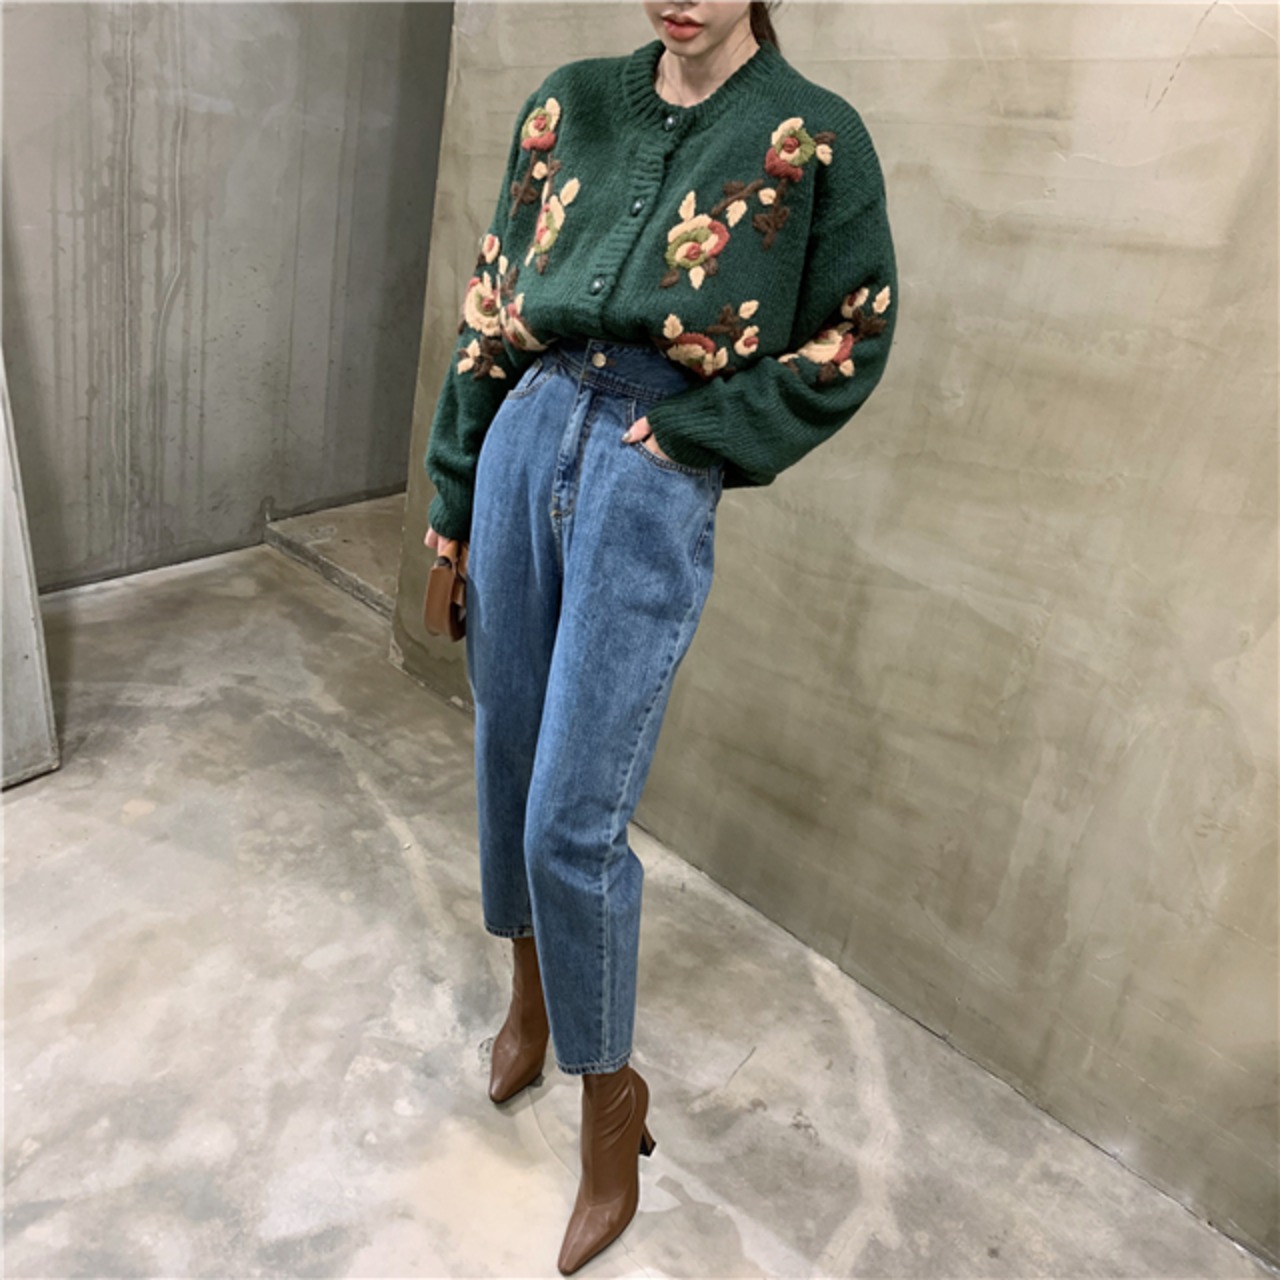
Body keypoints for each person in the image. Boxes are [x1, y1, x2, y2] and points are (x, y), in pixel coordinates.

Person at [423, 2, 897, 1271]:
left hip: (647, 465)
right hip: (526, 430)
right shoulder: (568, 101)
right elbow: (491, 300)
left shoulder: (810, 139)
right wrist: (453, 493)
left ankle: (606, 1107)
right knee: (505, 756)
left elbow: (854, 331)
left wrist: (701, 431)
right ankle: (527, 1001)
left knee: (571, 816)